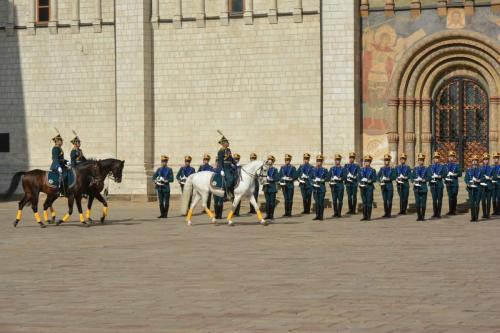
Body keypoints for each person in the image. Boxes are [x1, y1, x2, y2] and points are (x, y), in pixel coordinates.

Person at [310, 154, 330, 221]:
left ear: (322, 162)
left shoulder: (324, 170)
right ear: (316, 161)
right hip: (315, 189)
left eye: (320, 161)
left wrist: (322, 180)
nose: (319, 162)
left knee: (321, 202)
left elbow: (328, 178)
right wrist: (313, 181)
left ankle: (321, 216)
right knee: (317, 202)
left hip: (321, 188)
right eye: (318, 161)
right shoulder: (313, 170)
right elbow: (310, 178)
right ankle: (317, 215)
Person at [412, 153, 431, 221]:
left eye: (422, 160)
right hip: (416, 188)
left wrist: (424, 180)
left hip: (423, 188)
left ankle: (423, 216)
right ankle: (418, 216)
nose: (421, 161)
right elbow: (412, 177)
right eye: (419, 160)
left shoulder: (426, 169)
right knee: (417, 202)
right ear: (418, 161)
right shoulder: (415, 169)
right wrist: (413, 181)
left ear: (423, 161)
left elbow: (429, 177)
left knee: (423, 202)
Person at [217, 135, 237, 200]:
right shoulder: (221, 151)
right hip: (224, 167)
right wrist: (221, 170)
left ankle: (233, 191)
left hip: (230, 167)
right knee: (230, 179)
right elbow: (220, 161)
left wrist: (236, 165)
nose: (228, 143)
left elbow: (231, 158)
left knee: (236, 177)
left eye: (227, 142)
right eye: (227, 142)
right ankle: (226, 193)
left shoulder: (228, 150)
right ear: (223, 143)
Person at [358, 155, 377, 221]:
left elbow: (375, 179)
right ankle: (364, 216)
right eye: (365, 161)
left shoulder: (372, 170)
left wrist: (369, 180)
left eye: (368, 161)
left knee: (369, 202)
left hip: (369, 187)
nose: (366, 163)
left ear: (370, 162)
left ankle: (368, 216)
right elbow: (358, 178)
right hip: (362, 187)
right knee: (364, 202)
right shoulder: (361, 170)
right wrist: (360, 182)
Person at [465, 155, 483, 222]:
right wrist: (468, 183)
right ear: (472, 162)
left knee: (477, 203)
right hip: (471, 188)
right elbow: (466, 178)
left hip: (478, 188)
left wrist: (479, 180)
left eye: (476, 161)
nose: (474, 162)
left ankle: (476, 217)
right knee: (472, 203)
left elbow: (483, 178)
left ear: (477, 162)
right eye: (473, 161)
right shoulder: (469, 170)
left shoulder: (480, 170)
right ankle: (473, 217)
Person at [378, 154, 396, 218]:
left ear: (389, 161)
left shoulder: (392, 169)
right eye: (385, 160)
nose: (386, 161)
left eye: (388, 160)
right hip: (383, 186)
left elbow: (394, 176)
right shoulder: (382, 169)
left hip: (389, 186)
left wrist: (389, 178)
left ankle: (389, 213)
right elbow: (378, 176)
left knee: (389, 200)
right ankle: (386, 213)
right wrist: (380, 181)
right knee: (385, 200)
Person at [444, 151, 462, 215]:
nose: (451, 158)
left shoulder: (457, 165)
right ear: (448, 158)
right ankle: (450, 210)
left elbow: (460, 174)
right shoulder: (446, 165)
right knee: (450, 197)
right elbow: (443, 173)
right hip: (448, 183)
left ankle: (454, 210)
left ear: (454, 158)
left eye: (452, 157)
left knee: (454, 196)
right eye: (450, 157)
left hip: (454, 183)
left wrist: (455, 174)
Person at [429, 152, 446, 218]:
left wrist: (440, 176)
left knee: (439, 199)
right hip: (433, 185)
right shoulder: (430, 167)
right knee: (434, 199)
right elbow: (428, 175)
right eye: (435, 158)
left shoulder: (442, 166)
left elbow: (445, 174)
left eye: (437, 158)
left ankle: (438, 213)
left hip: (439, 184)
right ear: (433, 159)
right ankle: (434, 213)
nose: (436, 160)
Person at [329, 154, 346, 218]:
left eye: (338, 160)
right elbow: (328, 176)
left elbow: (345, 177)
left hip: (340, 185)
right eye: (336, 160)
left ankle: (339, 213)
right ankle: (335, 212)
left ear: (340, 161)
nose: (337, 161)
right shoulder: (332, 169)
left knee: (340, 200)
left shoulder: (343, 168)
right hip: (333, 186)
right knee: (334, 200)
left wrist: (339, 178)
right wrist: (331, 180)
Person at [263, 155, 279, 220]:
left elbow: (277, 178)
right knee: (267, 202)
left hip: (272, 187)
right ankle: (267, 215)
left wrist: (272, 179)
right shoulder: (265, 169)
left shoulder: (275, 169)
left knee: (272, 202)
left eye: (271, 161)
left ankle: (271, 215)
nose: (269, 162)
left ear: (272, 162)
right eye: (268, 160)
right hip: (266, 187)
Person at [480, 153, 496, 219]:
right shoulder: (480, 168)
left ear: (488, 160)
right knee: (483, 200)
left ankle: (488, 214)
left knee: (489, 200)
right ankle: (484, 214)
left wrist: (492, 177)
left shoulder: (491, 168)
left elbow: (495, 175)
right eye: (484, 159)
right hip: (483, 186)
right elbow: (479, 177)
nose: (486, 161)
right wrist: (484, 178)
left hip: (489, 186)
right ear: (483, 160)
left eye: (487, 159)